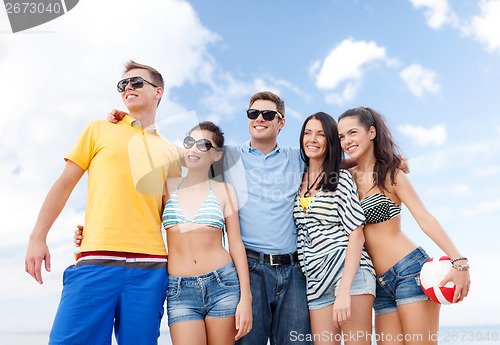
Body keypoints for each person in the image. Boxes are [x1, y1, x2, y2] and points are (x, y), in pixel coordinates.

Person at [25, 60, 181, 345]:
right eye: (123, 85)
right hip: (95, 261)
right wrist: (38, 237)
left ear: (158, 92)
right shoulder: (98, 129)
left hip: (151, 269)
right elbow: (64, 184)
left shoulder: (170, 150)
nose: (128, 88)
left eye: (136, 82)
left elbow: (170, 215)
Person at [337, 107, 471, 345]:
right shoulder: (346, 177)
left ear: (371, 132)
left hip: (410, 272)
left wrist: (459, 261)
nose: (347, 141)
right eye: (341, 137)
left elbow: (425, 218)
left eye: (352, 133)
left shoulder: (392, 174)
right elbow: (322, 164)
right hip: (377, 283)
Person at [162, 121, 252, 345]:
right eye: (189, 142)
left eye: (203, 144)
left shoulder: (225, 190)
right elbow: (140, 220)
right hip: (179, 290)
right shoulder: (166, 187)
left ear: (217, 155)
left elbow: (236, 243)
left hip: (222, 284)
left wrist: (246, 298)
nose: (193, 148)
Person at [293, 112, 375, 345]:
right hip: (316, 281)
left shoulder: (340, 178)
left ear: (330, 140)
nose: (312, 139)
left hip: (349, 276)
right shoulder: (298, 179)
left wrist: (344, 290)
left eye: (320, 134)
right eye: (308, 133)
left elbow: (356, 235)